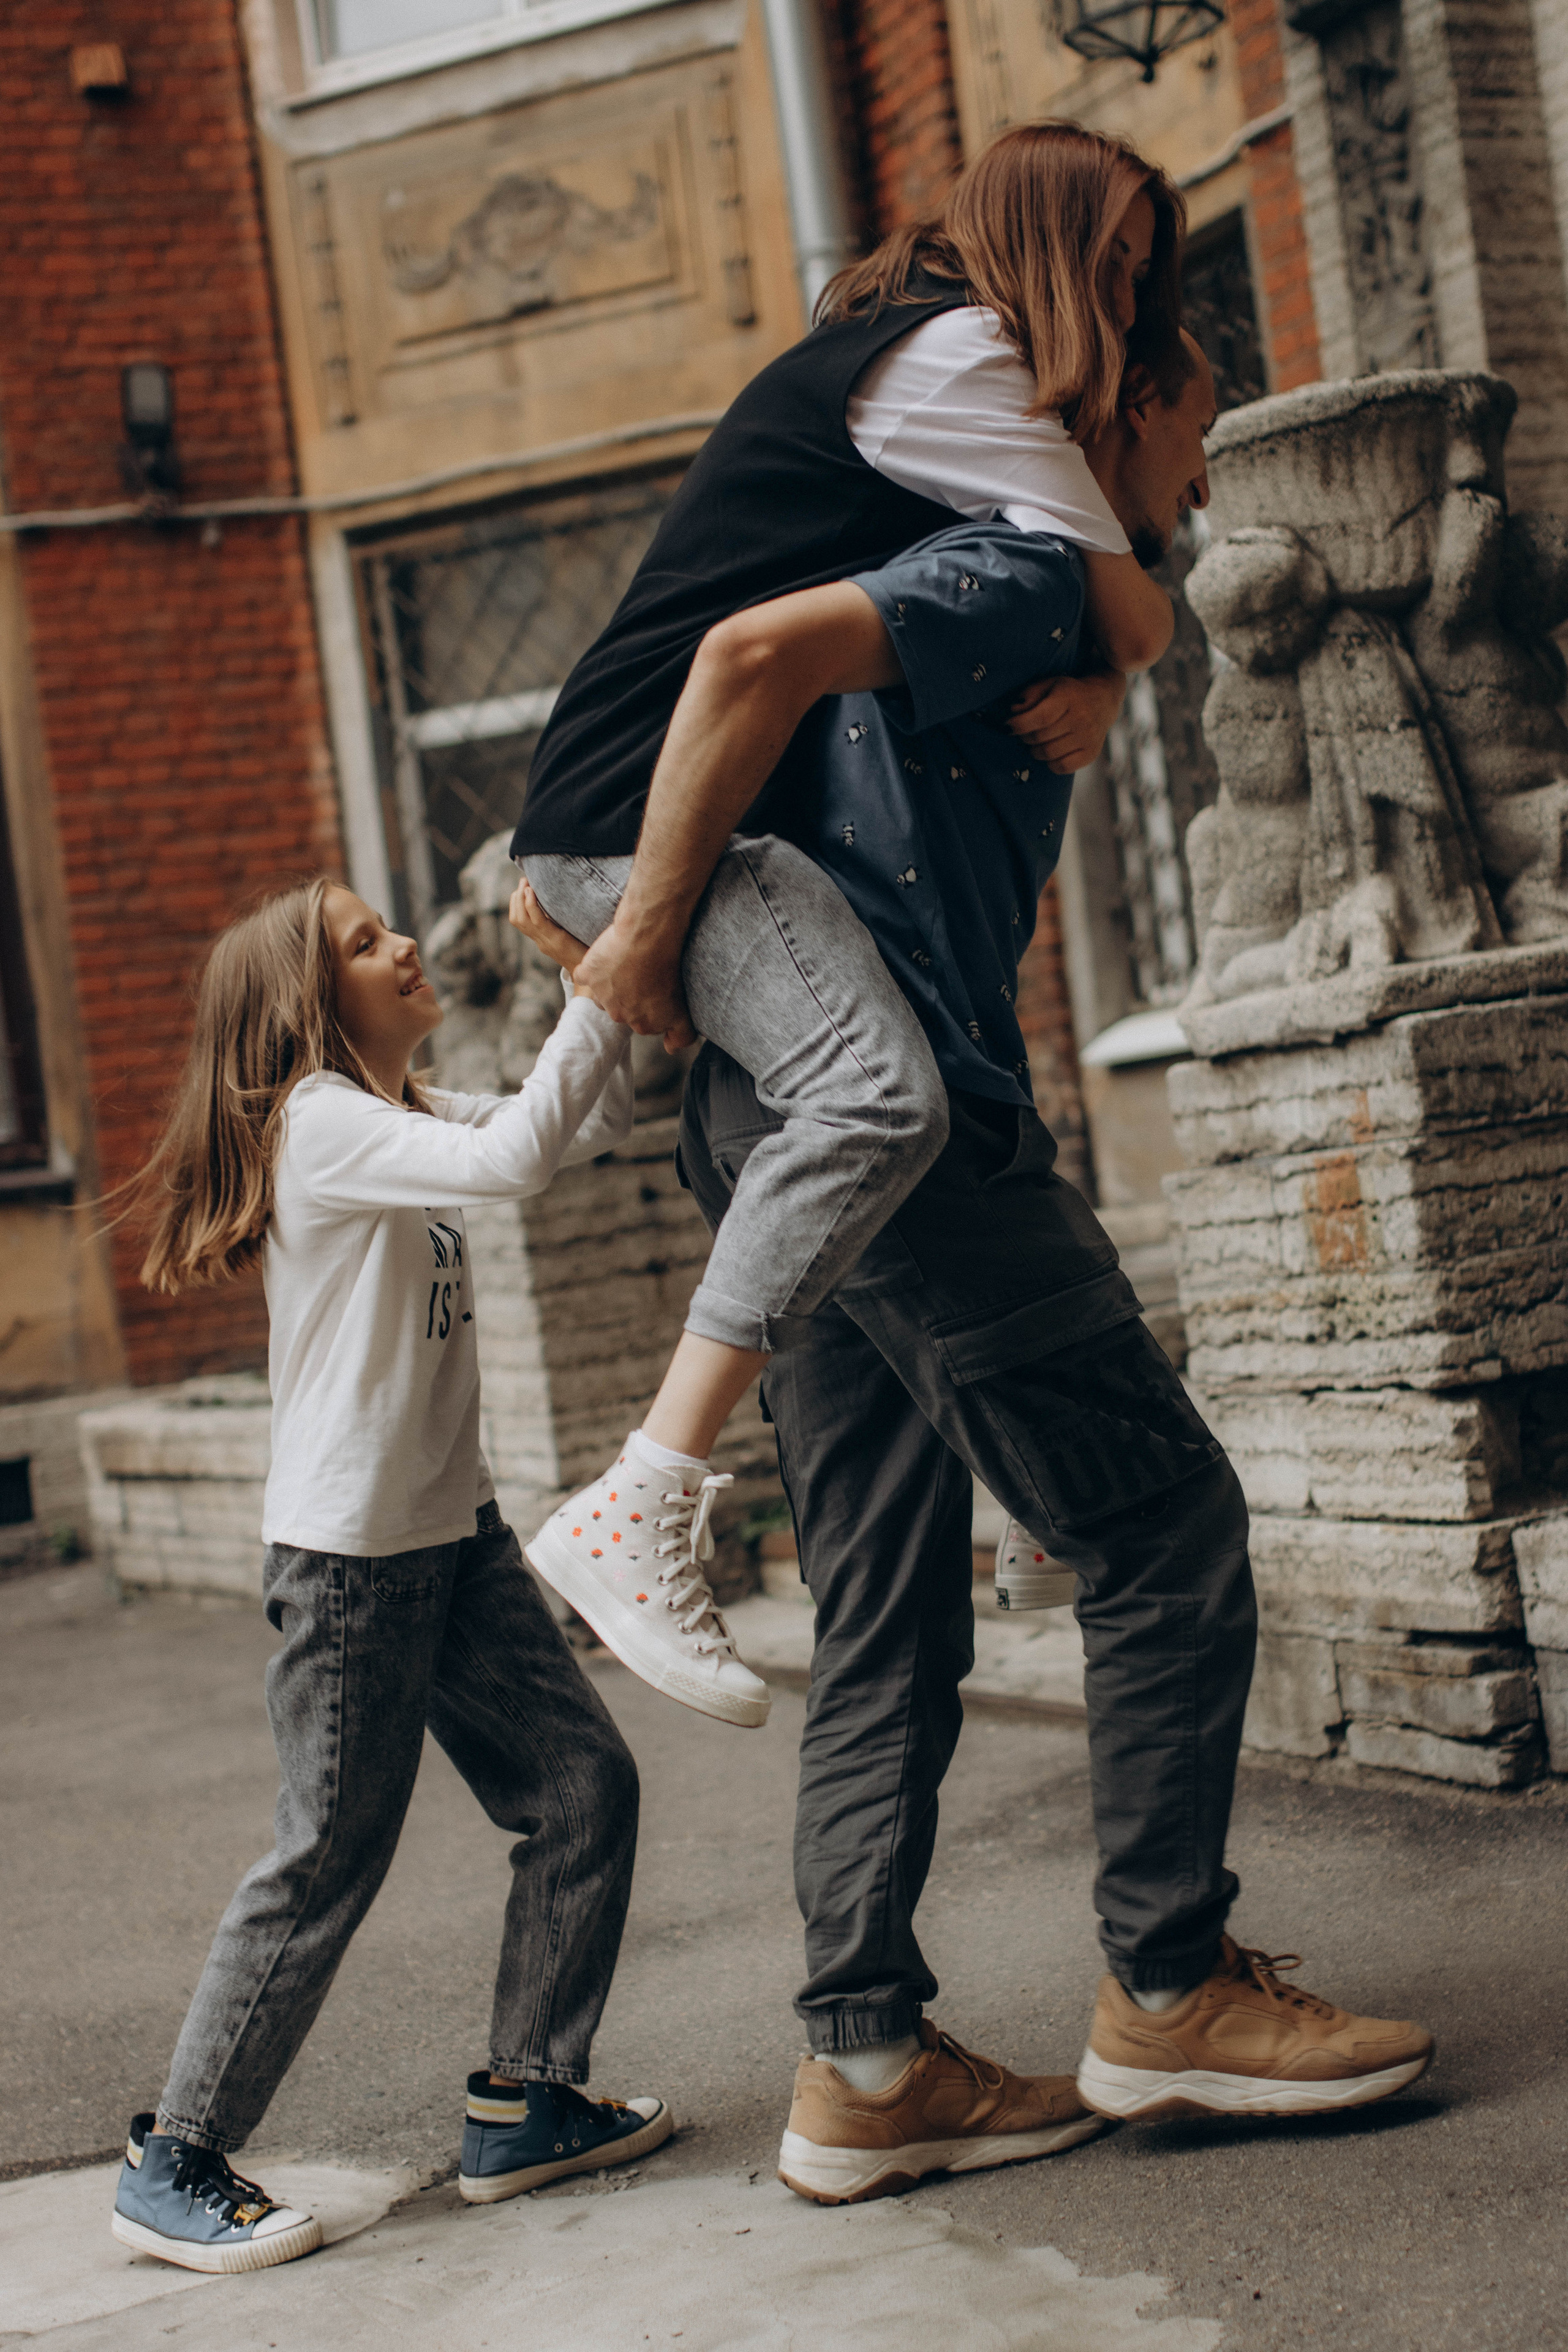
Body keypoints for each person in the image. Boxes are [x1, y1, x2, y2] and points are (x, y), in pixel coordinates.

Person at [517, 331, 1436, 2206]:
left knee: (885, 1603)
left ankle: (863, 2060)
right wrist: (638, 942)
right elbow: (750, 674)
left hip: (795, 1124)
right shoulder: (1015, 557)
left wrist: (1110, 657)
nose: (1208, 472)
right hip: (911, 1131)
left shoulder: (1040, 584)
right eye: (1196, 424)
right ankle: (1169, 1990)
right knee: (1163, 1532)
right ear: (1110, 416)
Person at [512, 119, 1187, 1730]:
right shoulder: (959, 356)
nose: (1130, 307)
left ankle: (1011, 1499)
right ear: (1047, 249)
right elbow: (1137, 601)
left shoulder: (913, 369)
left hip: (665, 820)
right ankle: (646, 1494)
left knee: (903, 1097)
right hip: (643, 817)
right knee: (885, 1095)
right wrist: (644, 927)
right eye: (1123, 270)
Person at [108, 878, 671, 2275]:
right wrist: (605, 973)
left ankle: (528, 2098)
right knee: (327, 1856)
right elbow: (521, 1163)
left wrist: (586, 988)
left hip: (450, 1536)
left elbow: (574, 1125)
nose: (406, 945)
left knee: (581, 1787)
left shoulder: (406, 1119)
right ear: (309, 1007)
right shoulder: (317, 1122)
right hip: (353, 1561)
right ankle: (175, 2158)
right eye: (364, 943)